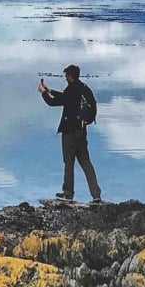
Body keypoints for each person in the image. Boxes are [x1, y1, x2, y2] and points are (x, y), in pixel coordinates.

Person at [38, 64, 101, 203]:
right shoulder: (83, 88)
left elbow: (53, 102)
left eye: (66, 76)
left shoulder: (71, 90)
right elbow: (64, 97)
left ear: (70, 76)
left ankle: (68, 194)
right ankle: (96, 194)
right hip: (82, 130)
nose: (65, 78)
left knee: (69, 162)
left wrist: (43, 92)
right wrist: (50, 90)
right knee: (86, 162)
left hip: (69, 132)